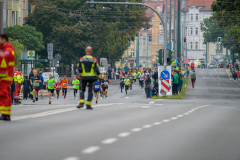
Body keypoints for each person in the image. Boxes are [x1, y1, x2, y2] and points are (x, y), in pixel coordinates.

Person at [0, 34, 15, 121]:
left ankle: (5, 114)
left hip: (5, 76)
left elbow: (4, 56)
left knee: (3, 94)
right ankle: (6, 114)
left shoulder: (8, 49)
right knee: (5, 94)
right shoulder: (4, 49)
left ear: (4, 39)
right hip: (4, 75)